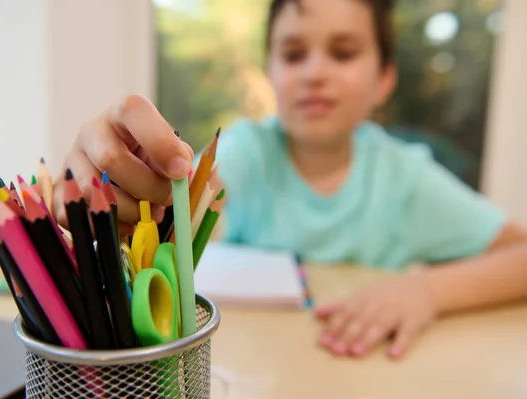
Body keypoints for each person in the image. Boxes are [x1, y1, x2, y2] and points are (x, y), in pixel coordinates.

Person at [53, 0, 527, 360]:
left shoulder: (406, 176)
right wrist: (114, 185)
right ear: (271, 71)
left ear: (384, 79)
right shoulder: (245, 151)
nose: (314, 73)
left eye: (342, 53)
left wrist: (426, 291)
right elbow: (162, 210)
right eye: (293, 53)